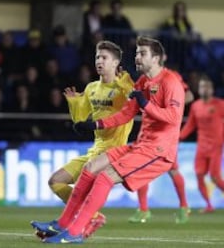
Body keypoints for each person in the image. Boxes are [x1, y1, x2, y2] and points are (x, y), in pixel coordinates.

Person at [31, 36, 185, 244]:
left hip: (159, 150)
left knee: (105, 176)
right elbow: (126, 113)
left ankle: (76, 231)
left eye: (142, 53)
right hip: (141, 145)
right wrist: (95, 125)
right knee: (91, 166)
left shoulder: (170, 81)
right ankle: (63, 224)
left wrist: (145, 104)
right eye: (137, 53)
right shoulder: (142, 83)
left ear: (156, 58)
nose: (137, 57)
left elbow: (174, 118)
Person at [41, 40, 134, 238]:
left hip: (114, 152)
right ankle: (94, 216)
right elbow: (80, 121)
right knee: (55, 181)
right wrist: (74, 103)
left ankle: (72, 224)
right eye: (97, 57)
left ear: (116, 62)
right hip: (94, 151)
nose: (99, 61)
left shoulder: (123, 88)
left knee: (86, 186)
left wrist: (123, 81)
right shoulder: (92, 88)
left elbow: (131, 99)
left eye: (104, 58)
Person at [128, 67, 193, 224]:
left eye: (143, 53)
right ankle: (143, 210)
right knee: (140, 167)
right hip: (148, 131)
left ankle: (184, 207)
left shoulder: (172, 77)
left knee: (172, 169)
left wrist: (170, 105)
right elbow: (132, 99)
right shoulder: (143, 79)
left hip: (166, 133)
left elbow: (189, 96)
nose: (139, 58)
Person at [179, 75, 224, 213]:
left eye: (207, 87)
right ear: (199, 89)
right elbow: (191, 125)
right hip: (202, 146)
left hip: (216, 145)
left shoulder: (220, 104)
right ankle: (209, 205)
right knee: (199, 175)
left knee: (215, 177)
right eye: (202, 87)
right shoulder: (195, 106)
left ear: (212, 90)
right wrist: (178, 137)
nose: (205, 89)